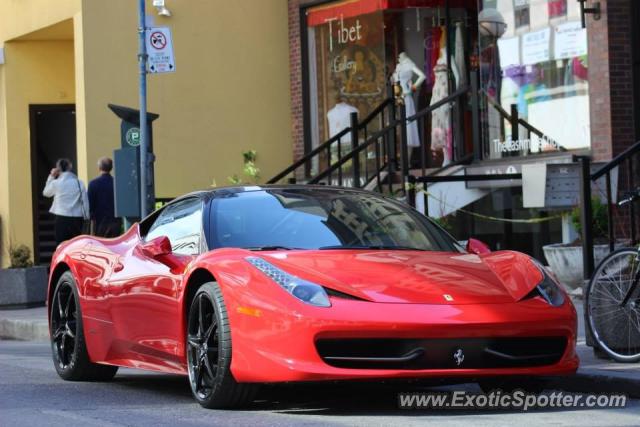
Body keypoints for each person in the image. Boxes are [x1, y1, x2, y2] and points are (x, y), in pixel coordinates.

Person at [43, 158, 90, 245]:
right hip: (77, 218)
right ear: (70, 167)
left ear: (58, 169)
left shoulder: (56, 183)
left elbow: (46, 193)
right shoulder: (79, 183)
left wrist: (51, 176)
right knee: (76, 246)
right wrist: (87, 217)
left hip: (61, 217)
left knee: (61, 246)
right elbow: (85, 202)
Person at [88, 157, 122, 238]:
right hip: (115, 220)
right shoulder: (117, 183)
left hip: (99, 221)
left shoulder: (93, 184)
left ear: (99, 168)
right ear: (111, 167)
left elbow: (90, 204)